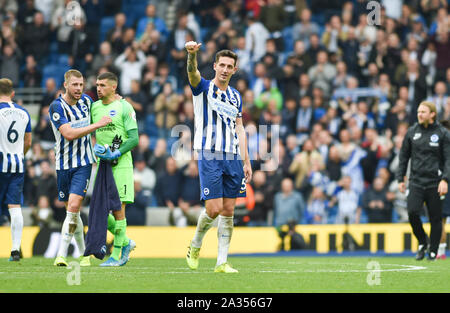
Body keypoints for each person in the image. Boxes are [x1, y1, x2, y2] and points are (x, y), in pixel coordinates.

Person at [184, 41, 252, 273]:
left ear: (235, 70)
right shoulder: (202, 87)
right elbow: (192, 73)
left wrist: (246, 160)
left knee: (229, 210)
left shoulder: (235, 96)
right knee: (213, 209)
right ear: (214, 66)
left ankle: (221, 261)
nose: (224, 69)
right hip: (209, 153)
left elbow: (240, 128)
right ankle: (195, 244)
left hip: (232, 155)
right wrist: (192, 55)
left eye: (229, 66)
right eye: (221, 65)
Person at [48, 69, 112, 267]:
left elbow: (104, 109)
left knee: (74, 207)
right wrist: (97, 126)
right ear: (65, 84)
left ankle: (61, 255)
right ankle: (85, 255)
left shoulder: (87, 102)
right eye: (74, 84)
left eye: (81, 85)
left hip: (83, 163)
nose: (78, 89)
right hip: (63, 165)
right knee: (72, 211)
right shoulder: (56, 107)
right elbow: (68, 133)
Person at [91, 72, 139, 266]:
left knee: (119, 210)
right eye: (97, 85)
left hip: (121, 165)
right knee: (99, 211)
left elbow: (134, 138)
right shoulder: (94, 107)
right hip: (103, 166)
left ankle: (116, 255)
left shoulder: (124, 106)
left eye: (102, 85)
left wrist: (116, 153)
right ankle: (126, 242)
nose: (98, 88)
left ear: (113, 87)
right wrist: (96, 146)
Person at [397, 101, 450, 261]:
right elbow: (404, 155)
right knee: (412, 212)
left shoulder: (443, 133)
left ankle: (433, 251)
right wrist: (401, 178)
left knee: (435, 218)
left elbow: (448, 159)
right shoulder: (412, 132)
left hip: (435, 182)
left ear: (432, 114)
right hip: (416, 182)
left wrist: (445, 180)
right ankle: (422, 241)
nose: (419, 114)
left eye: (423, 112)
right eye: (418, 111)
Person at [0, 78, 32, 261]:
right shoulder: (24, 112)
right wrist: (20, 155)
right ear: (12, 93)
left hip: (0, 161)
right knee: (15, 206)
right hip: (18, 163)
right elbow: (28, 142)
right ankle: (15, 249)